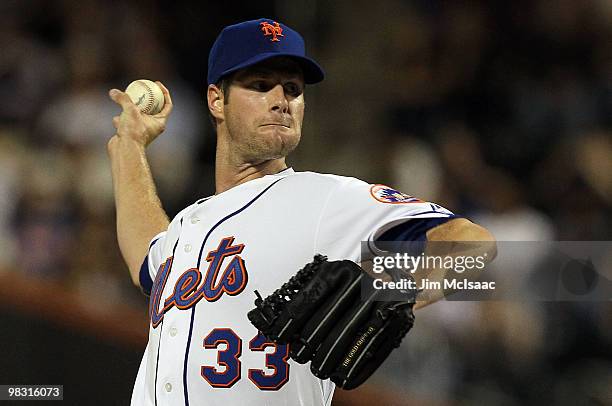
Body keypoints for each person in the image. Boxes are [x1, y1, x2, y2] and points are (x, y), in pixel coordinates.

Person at [107, 18, 495, 406]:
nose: (281, 100)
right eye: (260, 86)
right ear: (216, 100)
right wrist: (129, 146)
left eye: (292, 89)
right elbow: (147, 256)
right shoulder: (188, 224)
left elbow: (475, 247)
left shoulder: (324, 197)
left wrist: (388, 288)